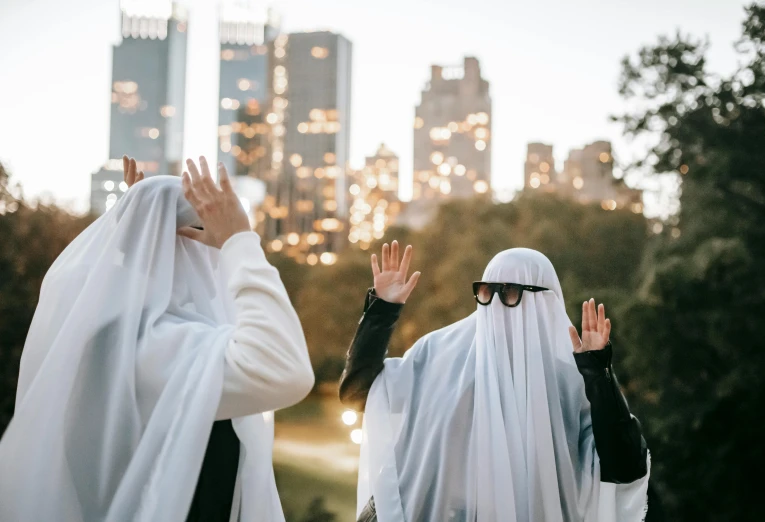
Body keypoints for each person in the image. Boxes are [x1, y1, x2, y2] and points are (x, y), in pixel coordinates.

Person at [0, 156, 314, 521]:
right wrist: (238, 242)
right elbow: (287, 369)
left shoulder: (103, 338)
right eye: (200, 240)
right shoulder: (151, 349)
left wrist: (146, 224)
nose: (212, 260)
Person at [340, 242, 651, 522]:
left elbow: (625, 467)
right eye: (487, 290)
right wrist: (382, 310)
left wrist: (599, 375)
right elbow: (358, 393)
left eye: (511, 291)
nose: (498, 303)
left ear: (544, 302)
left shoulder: (571, 380)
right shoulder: (437, 354)